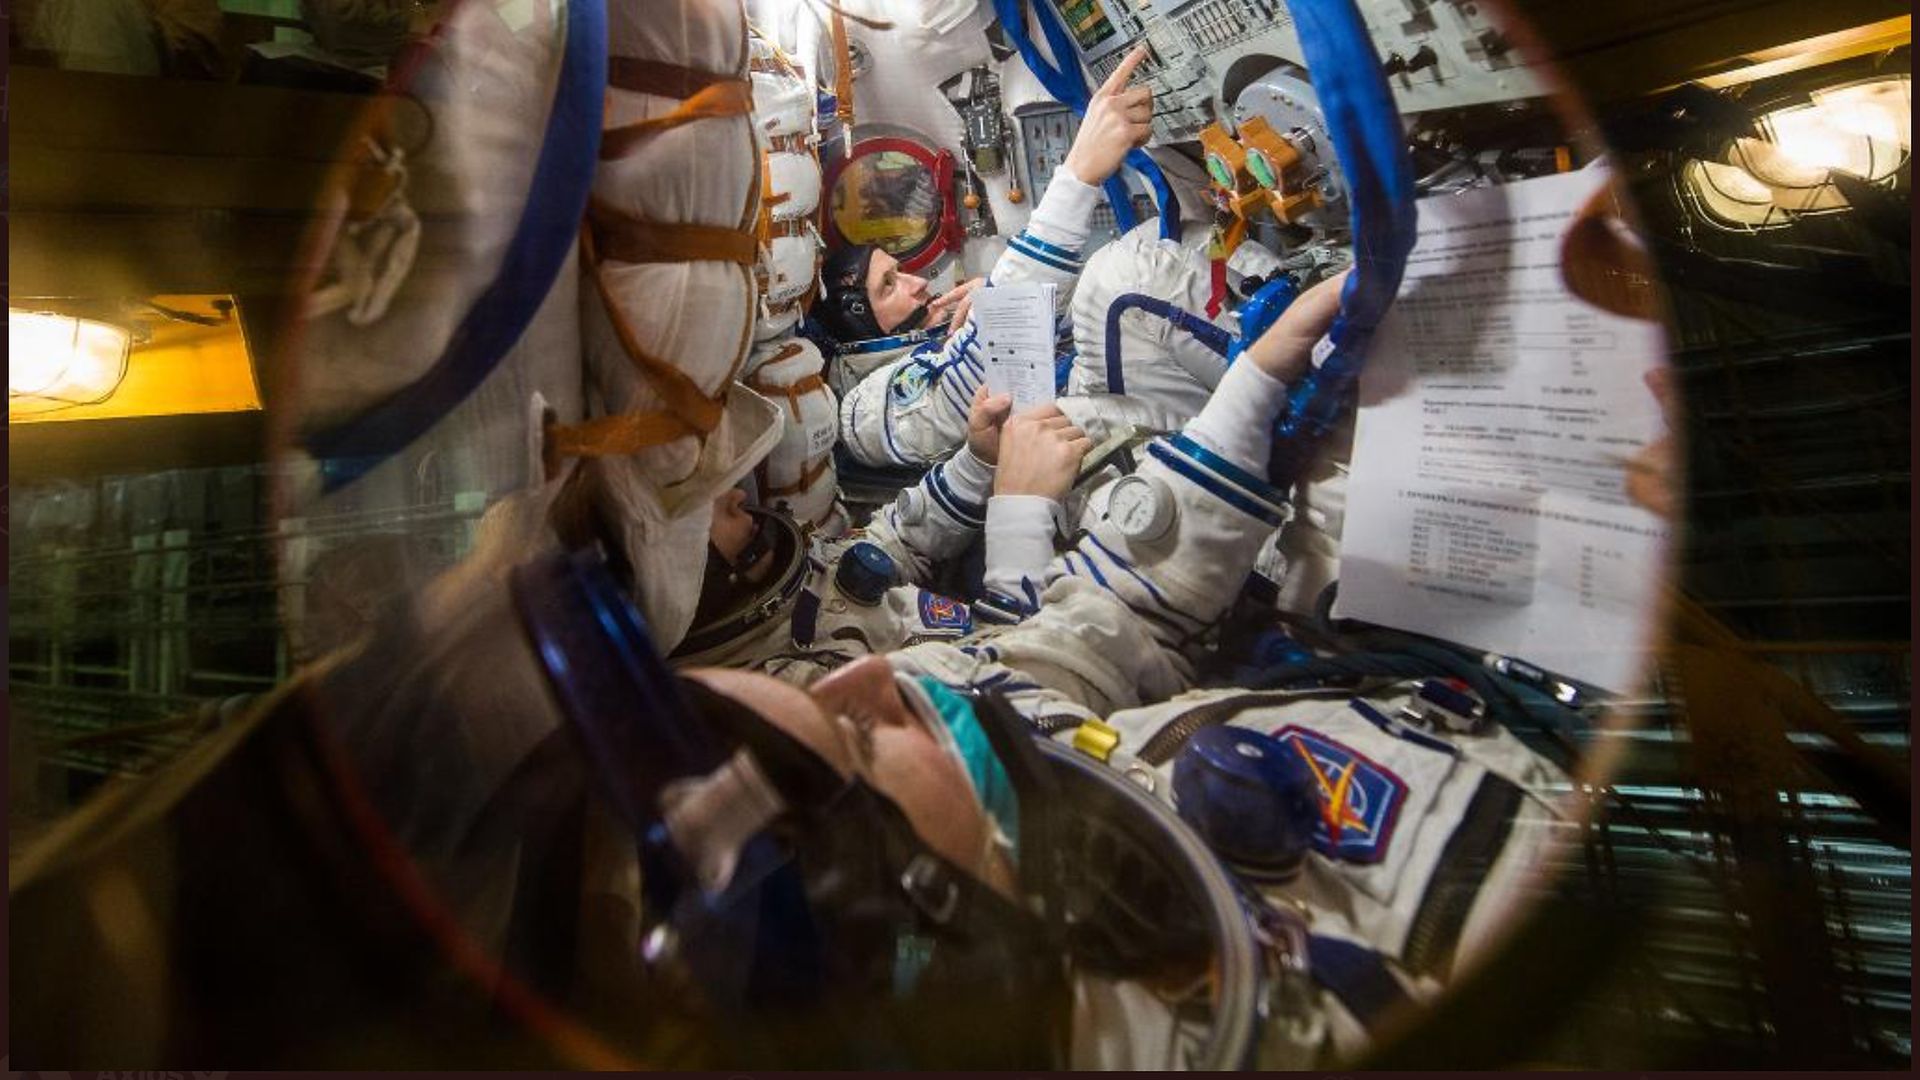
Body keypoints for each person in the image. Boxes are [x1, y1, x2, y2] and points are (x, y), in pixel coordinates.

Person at [819, 45, 1156, 468]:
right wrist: (1077, 175)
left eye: (901, 271)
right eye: (889, 285)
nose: (920, 282)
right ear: (856, 317)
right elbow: (971, 389)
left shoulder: (938, 346)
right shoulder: (862, 414)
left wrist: (993, 301)